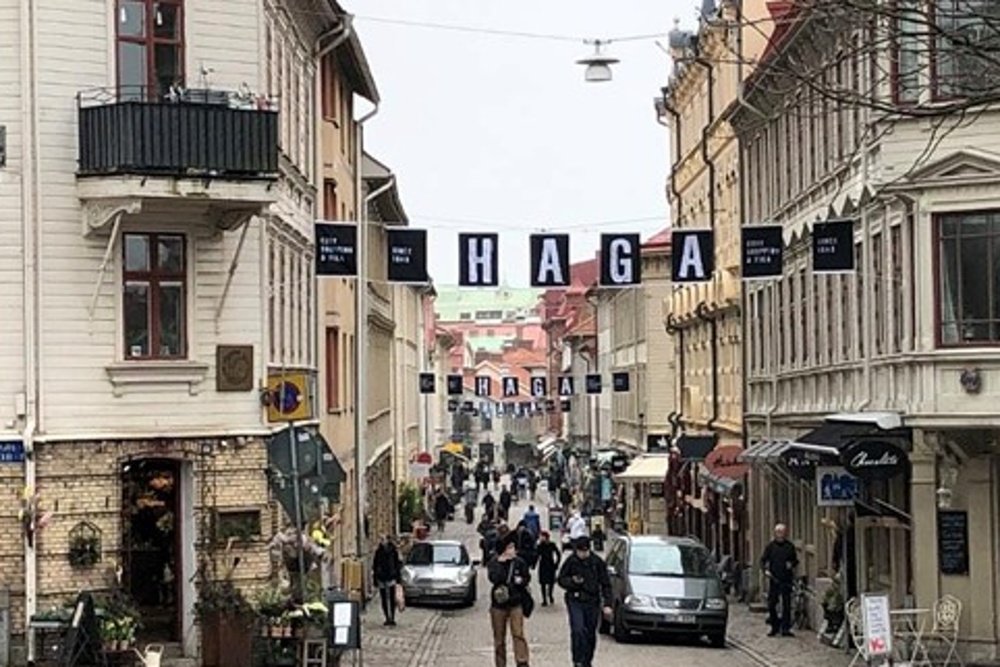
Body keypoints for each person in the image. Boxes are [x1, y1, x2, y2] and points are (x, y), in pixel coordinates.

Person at [557, 536, 612, 667]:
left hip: (592, 601)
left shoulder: (597, 562)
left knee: (590, 633)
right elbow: (561, 579)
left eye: (585, 552)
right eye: (580, 552)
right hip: (575, 600)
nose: (582, 554)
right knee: (578, 630)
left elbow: (606, 584)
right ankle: (577, 660)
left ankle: (587, 660)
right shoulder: (571, 561)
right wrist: (572, 582)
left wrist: (607, 604)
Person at [487, 534, 532, 667]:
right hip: (498, 604)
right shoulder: (494, 563)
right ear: (504, 549)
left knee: (518, 633)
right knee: (499, 638)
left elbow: (526, 577)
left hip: (515, 602)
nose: (513, 550)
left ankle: (522, 662)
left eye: (513, 547)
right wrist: (502, 563)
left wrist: (521, 581)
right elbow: (494, 579)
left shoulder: (519, 562)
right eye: (510, 547)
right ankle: (500, 663)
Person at [761, 523, 799, 637]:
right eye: (778, 532)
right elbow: (763, 560)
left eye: (782, 532)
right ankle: (775, 626)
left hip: (786, 579)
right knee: (772, 604)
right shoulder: (771, 547)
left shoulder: (790, 547)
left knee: (786, 605)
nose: (780, 535)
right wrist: (765, 571)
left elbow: (795, 560)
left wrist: (791, 564)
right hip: (774, 579)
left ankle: (785, 628)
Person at [372, 535, 402, 626]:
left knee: (392, 598)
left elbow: (397, 564)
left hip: (391, 575)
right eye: (381, 540)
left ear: (388, 540)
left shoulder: (393, 550)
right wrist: (375, 578)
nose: (382, 541)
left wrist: (398, 577)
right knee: (384, 598)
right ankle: (387, 617)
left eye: (383, 539)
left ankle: (392, 617)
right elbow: (375, 565)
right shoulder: (378, 551)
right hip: (381, 577)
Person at [536, 531, 561, 606]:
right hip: (542, 565)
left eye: (542, 536)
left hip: (550, 564)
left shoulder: (552, 545)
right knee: (542, 583)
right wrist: (533, 564)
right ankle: (544, 599)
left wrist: (557, 563)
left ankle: (550, 595)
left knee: (551, 582)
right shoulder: (540, 546)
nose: (541, 538)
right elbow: (537, 555)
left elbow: (558, 554)